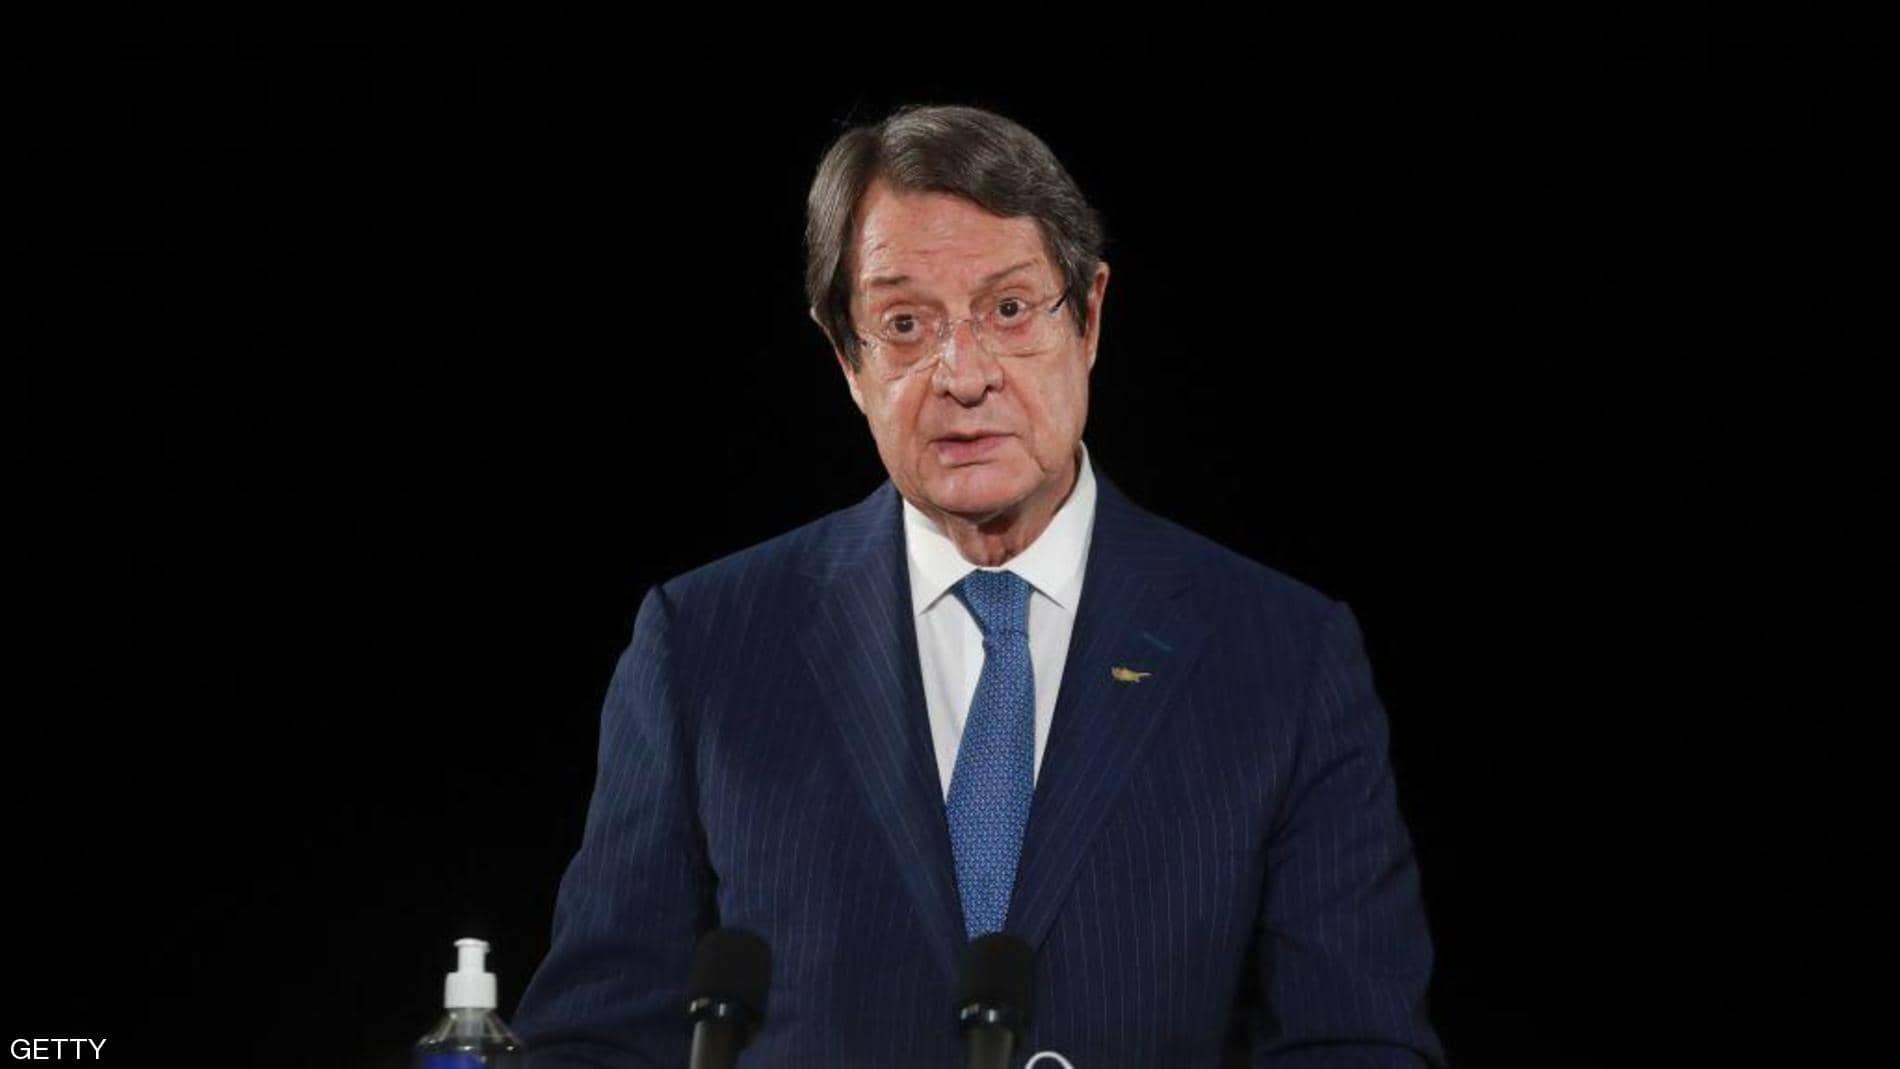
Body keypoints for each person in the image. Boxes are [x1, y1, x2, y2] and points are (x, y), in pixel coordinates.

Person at [512, 103, 1446, 1067]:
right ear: (847, 359)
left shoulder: (1284, 658)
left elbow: (1356, 1043)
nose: (964, 376)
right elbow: (594, 1041)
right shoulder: (705, 645)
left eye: (1008, 310)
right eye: (905, 325)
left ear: (1089, 318)